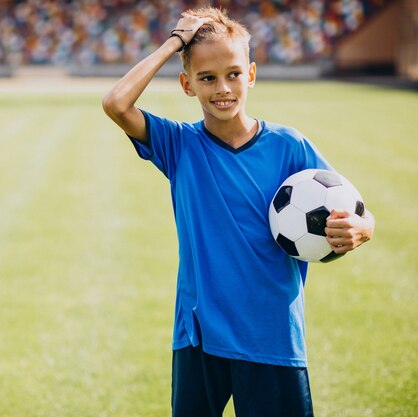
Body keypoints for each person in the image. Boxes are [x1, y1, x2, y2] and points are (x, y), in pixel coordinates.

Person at [102, 6, 375, 417]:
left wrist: (362, 229)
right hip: (200, 336)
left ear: (250, 74)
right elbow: (116, 103)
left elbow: (358, 211)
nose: (222, 87)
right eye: (207, 78)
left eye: (232, 74)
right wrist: (176, 41)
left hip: (273, 335)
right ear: (187, 84)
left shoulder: (290, 147)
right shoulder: (180, 146)